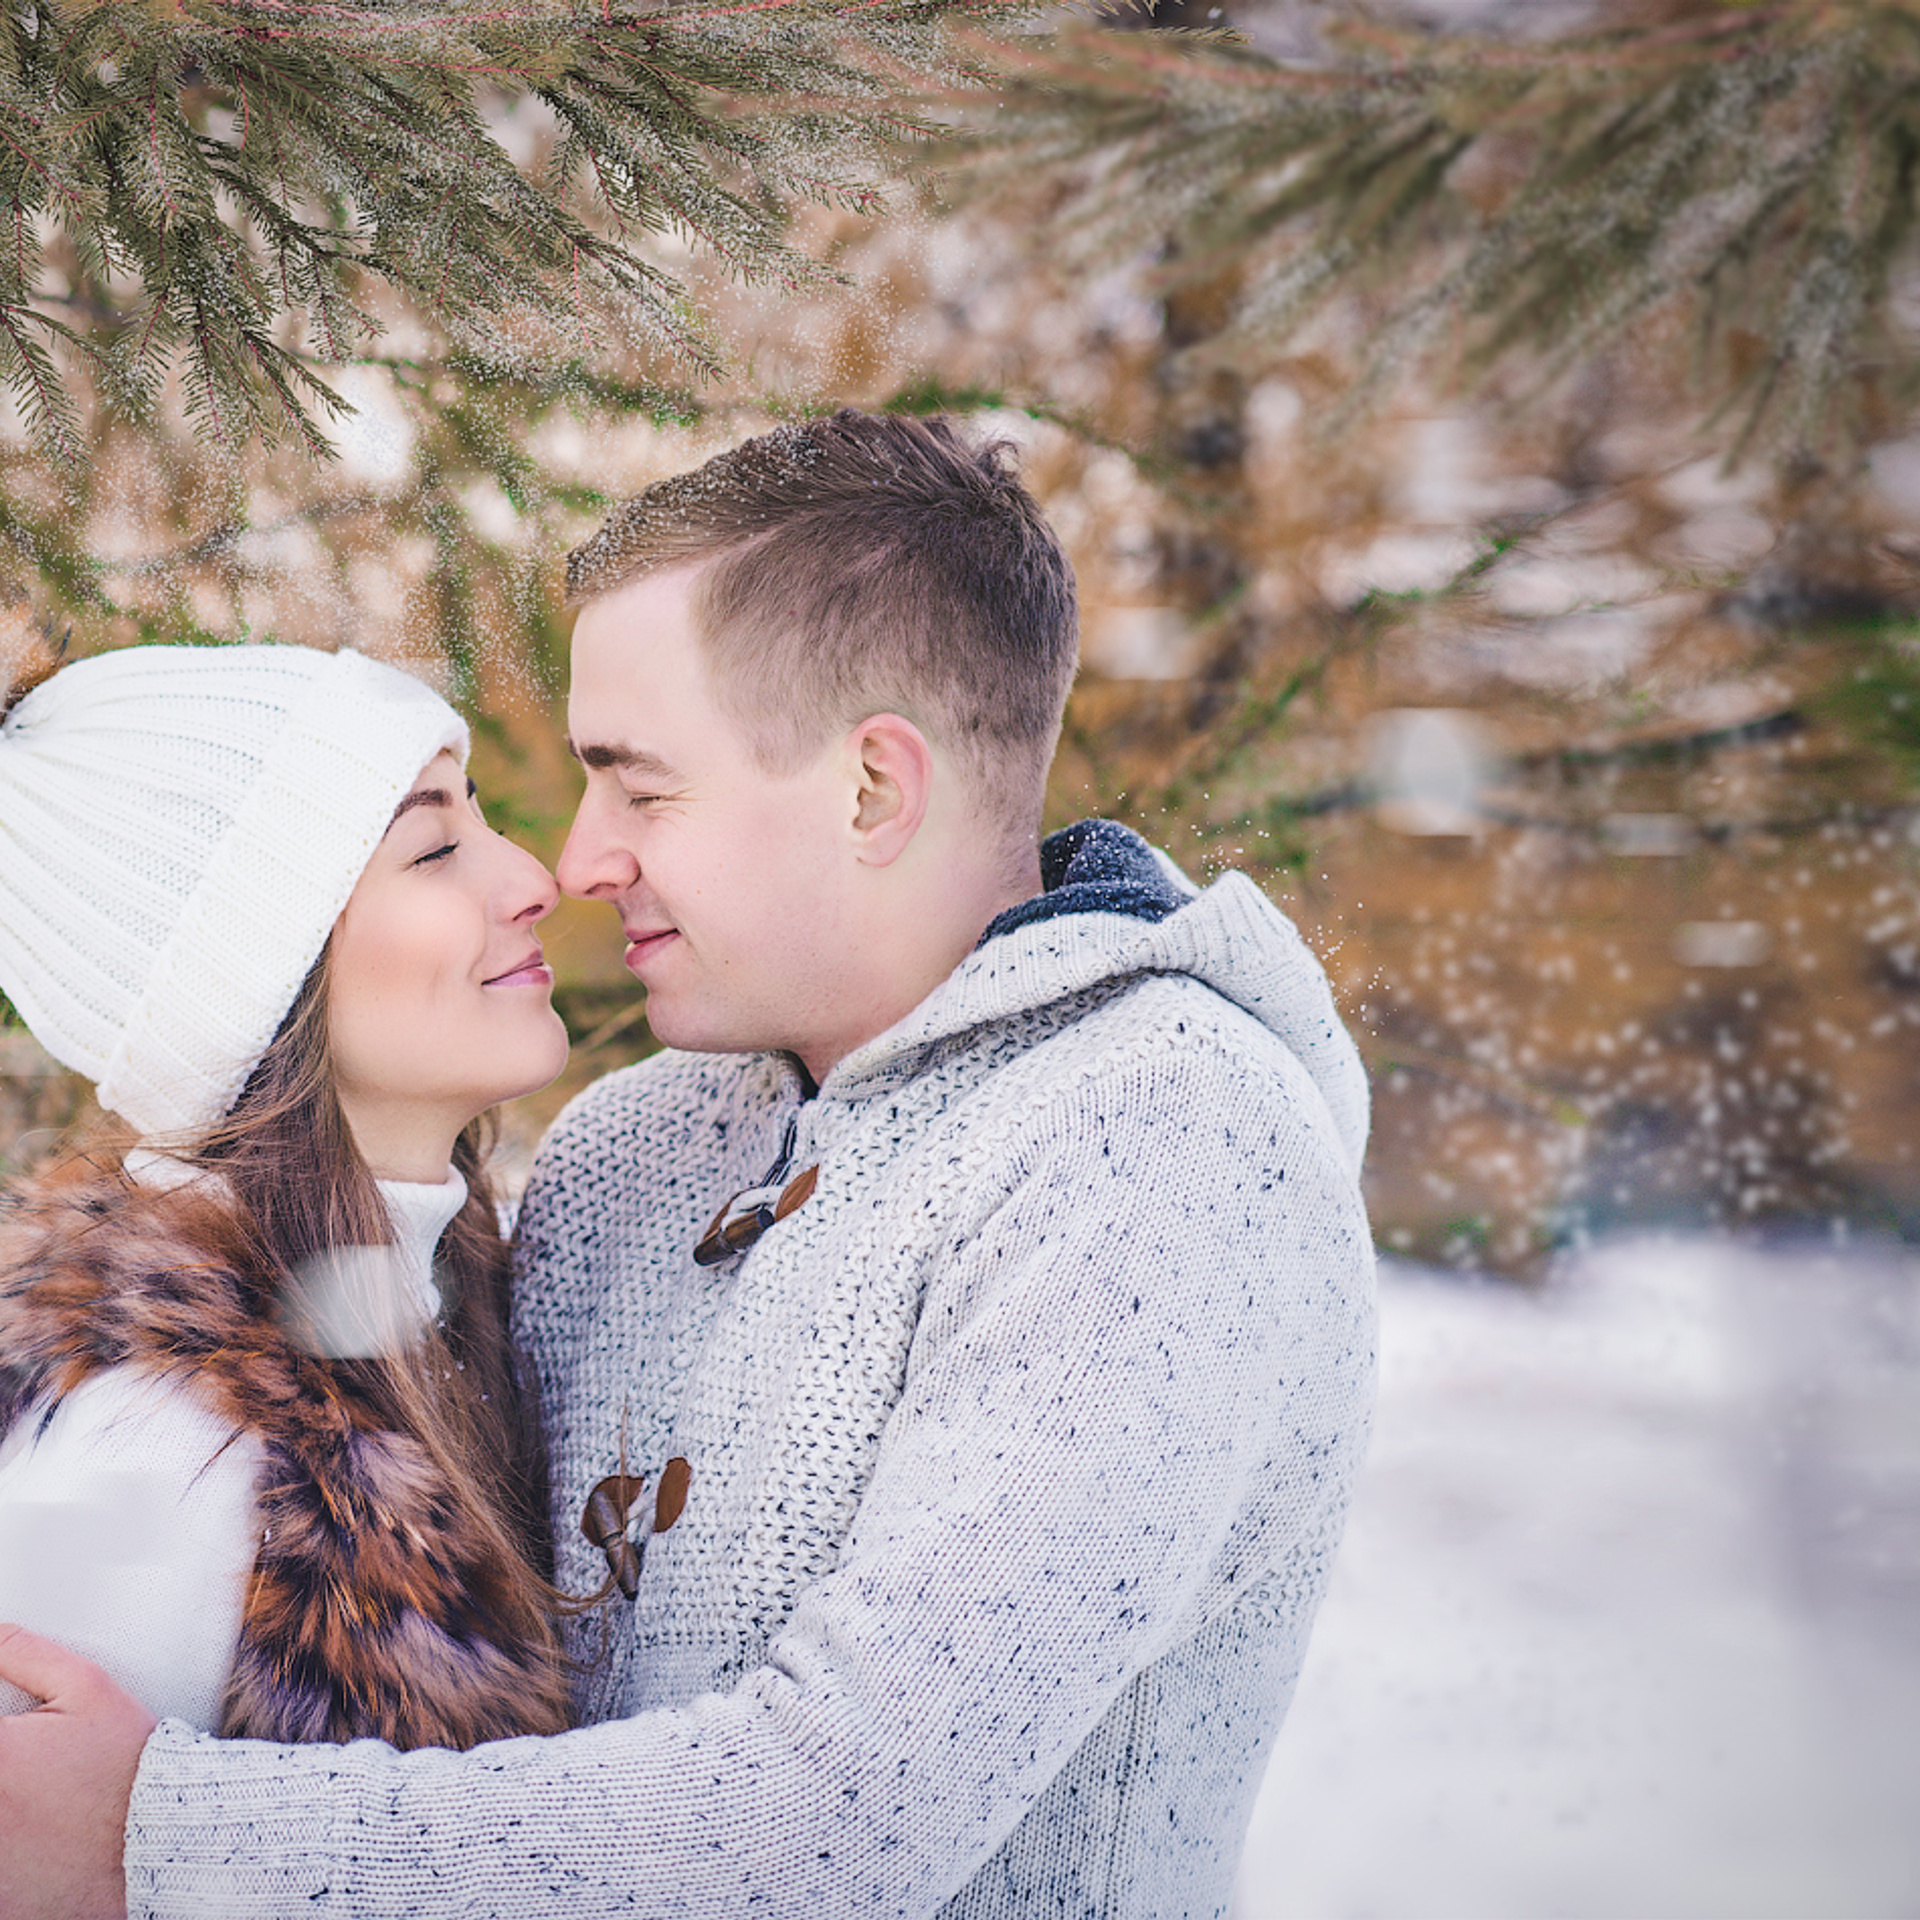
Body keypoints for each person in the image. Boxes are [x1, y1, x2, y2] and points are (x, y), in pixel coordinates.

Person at [0, 410, 1376, 1920]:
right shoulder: (627, 1154)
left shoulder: (1162, 1151)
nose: (576, 862)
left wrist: (167, 1840)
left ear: (872, 792)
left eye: (641, 789)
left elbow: (837, 1821)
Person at [0, 641, 575, 1763]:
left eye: (486, 817)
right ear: (261, 974)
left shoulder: (455, 1297)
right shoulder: (159, 1448)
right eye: (437, 849)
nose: (532, 879)